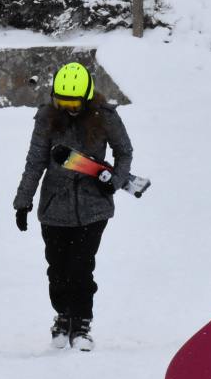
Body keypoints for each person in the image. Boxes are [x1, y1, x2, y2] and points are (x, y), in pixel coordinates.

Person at [12, 62, 133, 352]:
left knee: (81, 266)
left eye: (74, 103)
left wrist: (114, 181)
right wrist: (23, 201)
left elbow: (124, 152)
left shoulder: (105, 117)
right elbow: (35, 160)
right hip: (54, 207)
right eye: (62, 102)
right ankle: (63, 315)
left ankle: (81, 322)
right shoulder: (46, 118)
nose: (68, 109)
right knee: (57, 267)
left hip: (93, 208)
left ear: (87, 97)